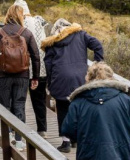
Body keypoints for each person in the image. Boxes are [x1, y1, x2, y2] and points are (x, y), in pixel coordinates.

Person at [0, 4, 41, 151]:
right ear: (21, 16)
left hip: (3, 75)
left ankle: (8, 136)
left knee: (4, 106)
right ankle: (19, 141)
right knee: (19, 106)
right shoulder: (27, 33)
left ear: (8, 15)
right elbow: (36, 56)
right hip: (22, 76)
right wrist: (35, 77)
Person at [42, 18, 104, 153]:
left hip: (60, 77)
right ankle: (76, 139)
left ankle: (66, 142)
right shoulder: (81, 34)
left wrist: (50, 83)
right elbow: (98, 45)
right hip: (80, 78)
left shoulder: (52, 41)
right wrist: (97, 65)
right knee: (78, 108)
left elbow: (48, 64)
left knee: (62, 109)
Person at [62, 62, 130, 160]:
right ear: (111, 78)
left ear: (88, 78)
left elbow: (68, 130)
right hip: (123, 156)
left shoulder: (78, 103)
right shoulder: (126, 100)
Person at [18, 0, 49, 137]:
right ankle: (42, 129)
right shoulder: (39, 21)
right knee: (39, 100)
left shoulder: (18, 24)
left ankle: (19, 131)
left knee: (19, 100)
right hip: (40, 68)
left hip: (22, 68)